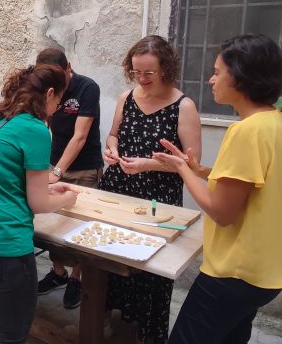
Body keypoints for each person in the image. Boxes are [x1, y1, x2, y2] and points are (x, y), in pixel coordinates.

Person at [153, 34, 282, 344]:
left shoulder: (245, 131)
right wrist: (199, 170)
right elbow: (251, 184)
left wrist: (181, 169)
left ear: (242, 76)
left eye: (218, 72)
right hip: (266, 272)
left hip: (235, 273)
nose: (211, 79)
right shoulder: (277, 122)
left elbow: (222, 211)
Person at [0, 64, 79, 344]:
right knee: (13, 335)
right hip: (5, 249)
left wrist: (48, 185)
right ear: (49, 93)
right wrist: (66, 199)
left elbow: (3, 175)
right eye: (59, 99)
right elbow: (37, 202)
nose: (58, 106)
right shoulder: (35, 129)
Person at [98, 35, 202, 344]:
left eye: (149, 73)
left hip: (158, 197)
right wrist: (112, 150)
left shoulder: (184, 106)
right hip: (119, 187)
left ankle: (147, 331)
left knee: (150, 266)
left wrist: (147, 164)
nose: (141, 80)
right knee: (111, 255)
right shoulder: (126, 97)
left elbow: (191, 163)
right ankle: (107, 317)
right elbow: (113, 135)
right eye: (136, 72)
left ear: (166, 69)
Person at [33, 48, 103, 309]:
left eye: (58, 76)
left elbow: (80, 136)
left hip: (84, 168)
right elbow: (45, 125)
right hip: (54, 163)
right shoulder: (48, 88)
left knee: (80, 227)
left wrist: (57, 172)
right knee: (52, 221)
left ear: (68, 67)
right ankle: (59, 272)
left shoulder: (87, 88)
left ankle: (76, 278)